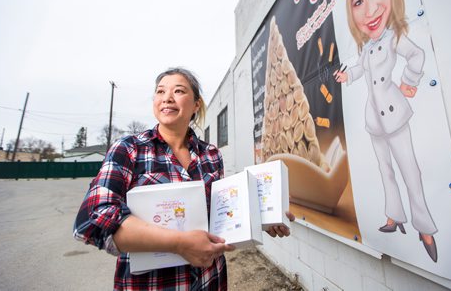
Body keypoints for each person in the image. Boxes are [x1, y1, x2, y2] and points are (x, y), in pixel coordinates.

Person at [73, 67, 294, 290]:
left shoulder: (211, 154)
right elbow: (93, 219)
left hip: (210, 280)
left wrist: (262, 215)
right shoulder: (129, 149)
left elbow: (220, 217)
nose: (167, 98)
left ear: (196, 104)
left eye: (178, 91)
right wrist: (179, 243)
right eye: (160, 92)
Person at [334, 0, 438, 262]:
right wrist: (346, 76)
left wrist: (410, 82)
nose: (371, 10)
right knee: (385, 170)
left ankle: (425, 227)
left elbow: (416, 56)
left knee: (410, 170)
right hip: (373, 120)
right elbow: (360, 71)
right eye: (358, 2)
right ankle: (395, 216)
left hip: (395, 113)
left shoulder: (395, 37)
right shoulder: (366, 47)